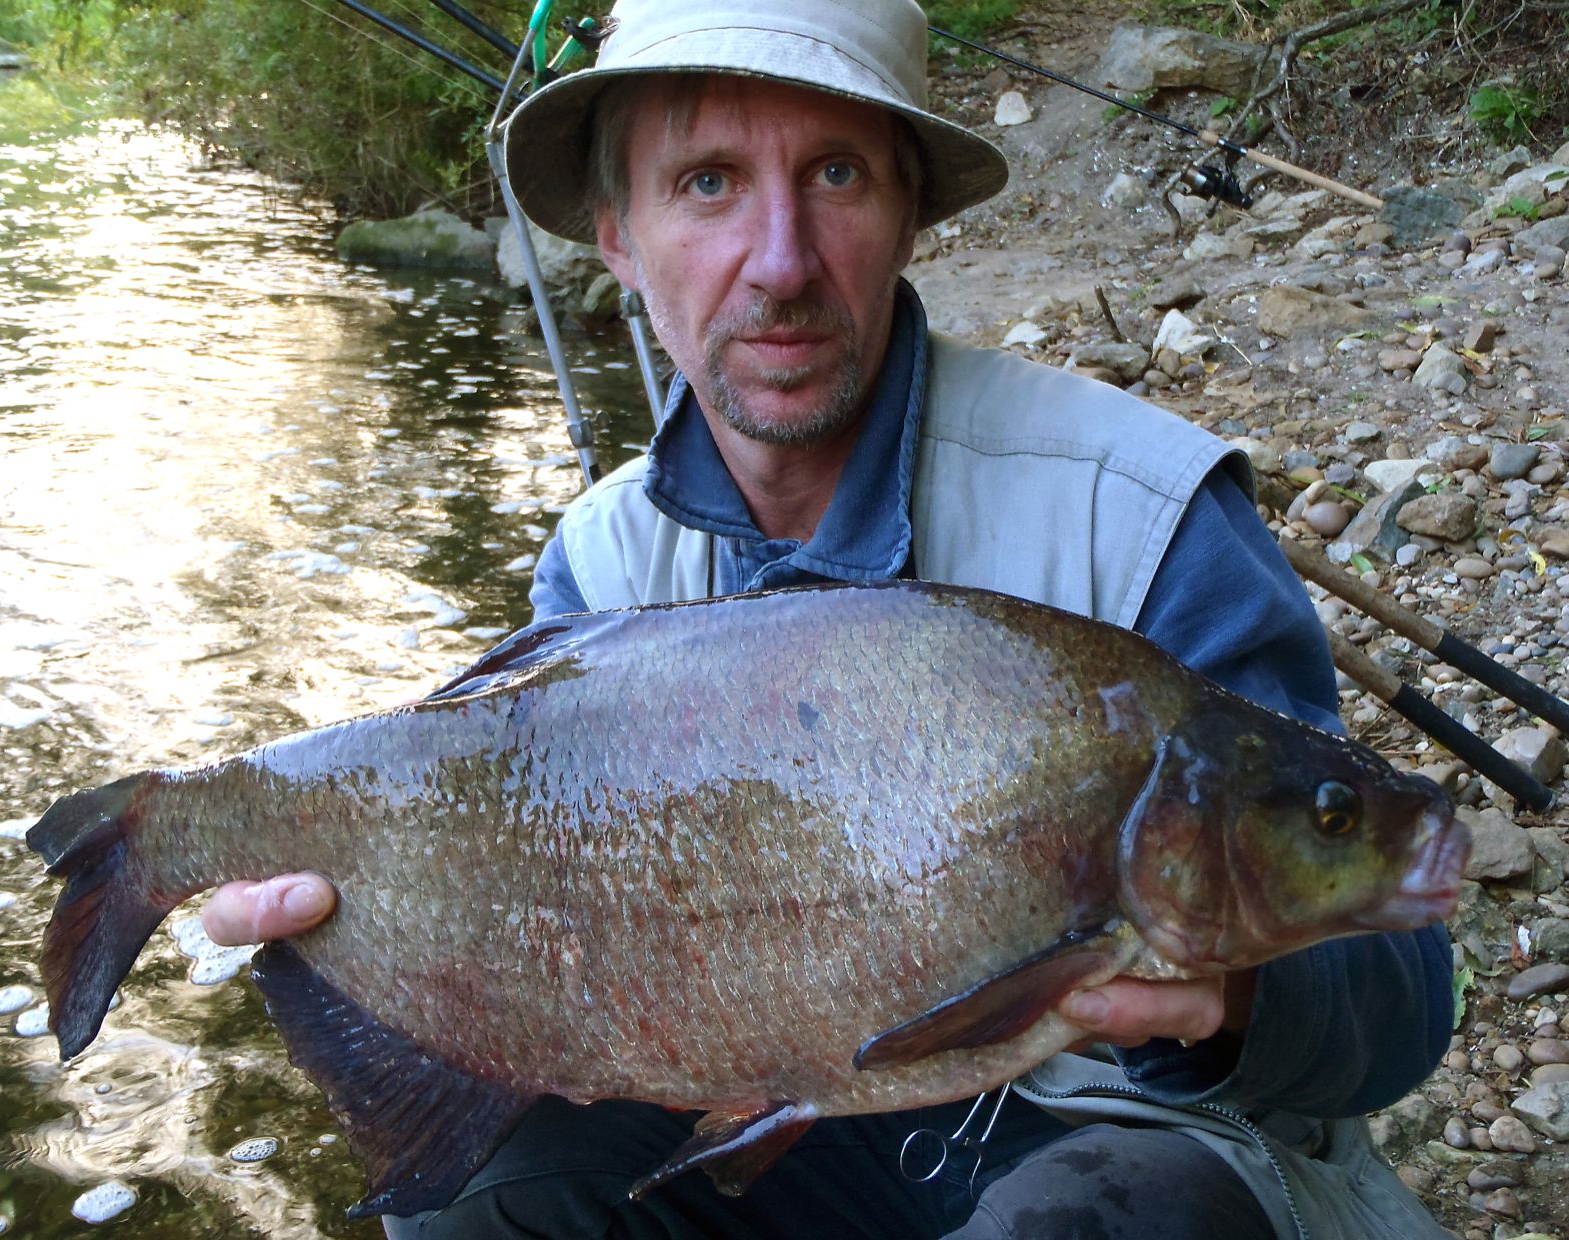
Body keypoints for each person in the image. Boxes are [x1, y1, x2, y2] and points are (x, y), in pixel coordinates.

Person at [203, 1, 1457, 1236]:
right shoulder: (600, 563)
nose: (781, 259)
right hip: (797, 1122)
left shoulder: (1140, 509)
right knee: (480, 1191)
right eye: (704, 184)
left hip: (1137, 1140)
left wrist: (1221, 987)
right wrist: (378, 937)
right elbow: (532, 965)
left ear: (910, 211)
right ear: (619, 242)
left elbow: (1400, 999)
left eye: (836, 174)